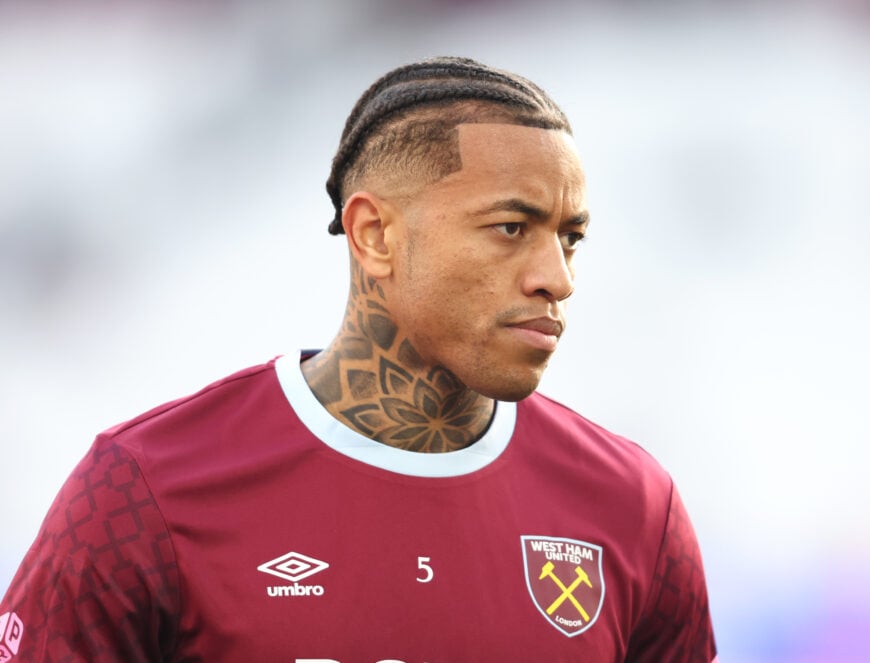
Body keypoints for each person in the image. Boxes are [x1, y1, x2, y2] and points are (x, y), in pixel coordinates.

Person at [0, 56, 717, 662]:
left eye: (570, 238)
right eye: (511, 227)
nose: (556, 277)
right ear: (374, 234)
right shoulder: (144, 491)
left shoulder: (634, 511)